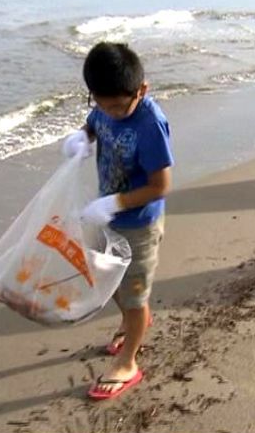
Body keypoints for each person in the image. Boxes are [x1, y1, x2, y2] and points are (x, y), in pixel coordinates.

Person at [61, 42, 174, 400]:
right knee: (110, 280)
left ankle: (128, 362)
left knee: (135, 294)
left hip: (139, 224)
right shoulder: (104, 109)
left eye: (117, 106)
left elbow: (160, 185)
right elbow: (94, 123)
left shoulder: (150, 124)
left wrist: (115, 203)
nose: (110, 112)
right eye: (101, 104)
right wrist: (82, 137)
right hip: (109, 217)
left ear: (142, 90)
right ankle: (130, 321)